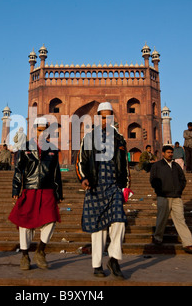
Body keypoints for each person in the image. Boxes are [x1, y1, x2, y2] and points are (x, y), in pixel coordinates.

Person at [75, 102, 130, 279]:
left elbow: (125, 165)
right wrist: (83, 178)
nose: (106, 120)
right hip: (95, 186)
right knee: (98, 229)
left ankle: (113, 258)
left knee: (119, 222)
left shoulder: (119, 139)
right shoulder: (89, 138)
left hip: (114, 186)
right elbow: (80, 161)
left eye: (109, 116)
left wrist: (126, 185)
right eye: (103, 117)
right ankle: (97, 265)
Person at [9, 117, 63, 271]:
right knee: (25, 224)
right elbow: (19, 170)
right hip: (30, 188)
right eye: (40, 130)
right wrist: (16, 189)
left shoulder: (52, 149)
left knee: (51, 220)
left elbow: (56, 173)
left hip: (47, 189)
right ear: (34, 130)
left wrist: (58, 192)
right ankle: (25, 255)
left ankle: (40, 250)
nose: (42, 134)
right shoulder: (26, 148)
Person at [150, 145, 192, 254]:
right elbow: (153, 180)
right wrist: (160, 191)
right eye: (168, 152)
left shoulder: (176, 166)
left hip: (176, 197)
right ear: (163, 153)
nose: (170, 154)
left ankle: (188, 244)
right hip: (163, 196)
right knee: (162, 218)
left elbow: (183, 180)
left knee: (180, 220)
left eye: (171, 152)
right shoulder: (157, 166)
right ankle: (158, 238)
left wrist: (179, 190)